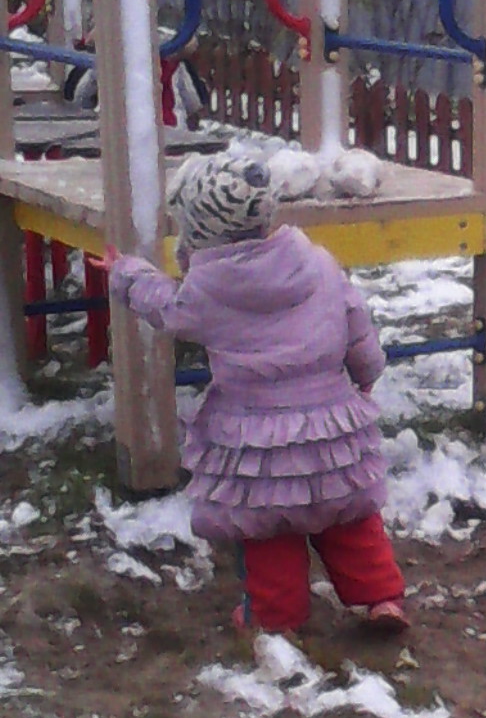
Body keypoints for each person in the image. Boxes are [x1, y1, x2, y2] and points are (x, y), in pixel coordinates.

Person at [101, 152, 408, 637]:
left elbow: (165, 307)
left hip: (256, 442)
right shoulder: (318, 263)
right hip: (331, 427)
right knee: (350, 519)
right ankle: (381, 598)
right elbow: (355, 321)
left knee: (267, 530)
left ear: (199, 231)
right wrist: (366, 372)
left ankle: (276, 614)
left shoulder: (205, 290)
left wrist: (126, 273)